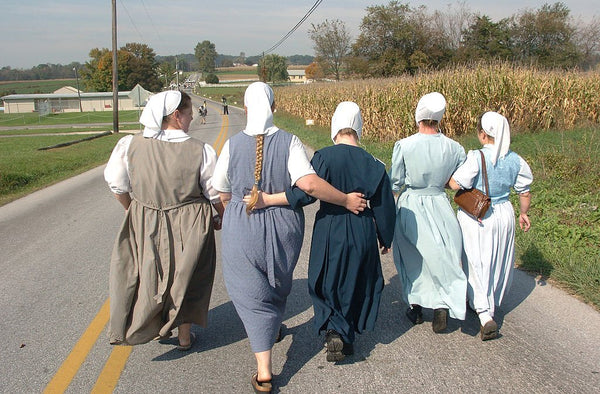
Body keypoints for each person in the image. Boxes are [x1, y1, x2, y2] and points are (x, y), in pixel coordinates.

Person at [212, 82, 366, 393]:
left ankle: (264, 369)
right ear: (274, 108)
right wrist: (346, 199)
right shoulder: (290, 141)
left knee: (250, 294)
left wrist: (233, 214)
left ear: (245, 109)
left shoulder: (230, 145)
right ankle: (271, 333)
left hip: (243, 224)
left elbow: (221, 189)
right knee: (275, 283)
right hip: (284, 229)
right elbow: (309, 184)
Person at [275, 101, 396, 362]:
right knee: (356, 280)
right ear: (359, 127)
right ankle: (346, 333)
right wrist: (385, 237)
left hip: (330, 226)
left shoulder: (324, 157)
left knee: (326, 279)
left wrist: (273, 200)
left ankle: (334, 329)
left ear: (335, 126)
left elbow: (305, 193)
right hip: (362, 227)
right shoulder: (374, 164)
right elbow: (385, 205)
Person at [104, 90, 225, 350]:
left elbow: (117, 185)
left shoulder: (130, 144)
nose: (192, 119)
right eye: (189, 114)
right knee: (188, 275)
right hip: (190, 219)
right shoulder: (200, 150)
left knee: (149, 272)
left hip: (146, 217)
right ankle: (183, 335)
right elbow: (215, 193)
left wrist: (133, 211)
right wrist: (222, 217)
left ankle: (152, 325)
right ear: (176, 115)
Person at [448, 111, 532, 340]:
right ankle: (489, 301)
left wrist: (446, 179)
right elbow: (524, 191)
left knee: (476, 260)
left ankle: (484, 313)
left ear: (483, 134)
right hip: (504, 211)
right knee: (498, 259)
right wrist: (524, 213)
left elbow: (456, 184)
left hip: (478, 214)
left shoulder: (477, 157)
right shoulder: (516, 159)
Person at [389, 92, 468, 333]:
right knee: (443, 253)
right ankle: (442, 304)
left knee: (413, 257)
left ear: (418, 116)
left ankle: (416, 306)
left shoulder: (405, 145)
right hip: (440, 202)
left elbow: (395, 182)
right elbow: (458, 180)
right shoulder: (454, 148)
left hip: (412, 203)